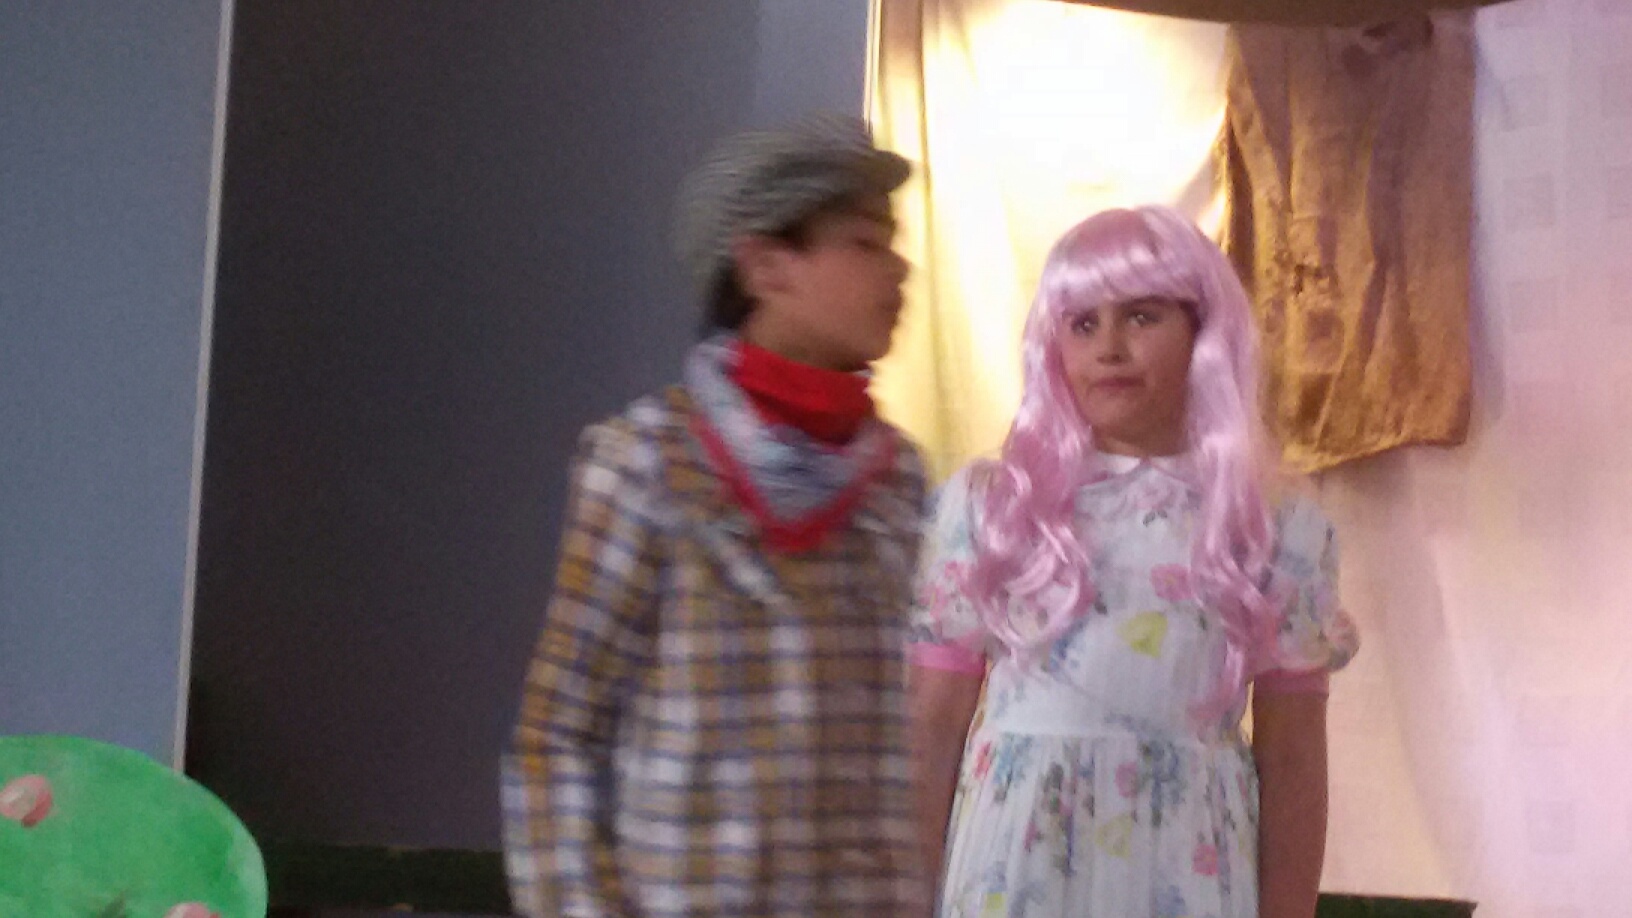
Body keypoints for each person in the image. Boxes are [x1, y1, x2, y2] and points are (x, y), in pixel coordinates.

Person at [502, 113, 928, 918]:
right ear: (766, 266)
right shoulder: (649, 461)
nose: (899, 269)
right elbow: (556, 736)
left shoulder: (895, 477)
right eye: (865, 243)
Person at [907, 206, 1360, 918]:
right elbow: (931, 728)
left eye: (1142, 317)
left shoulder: (1270, 524)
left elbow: (1294, 755)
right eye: (1083, 324)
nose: (1109, 348)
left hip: (1184, 865)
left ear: (1203, 334)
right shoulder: (993, 508)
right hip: (1012, 868)